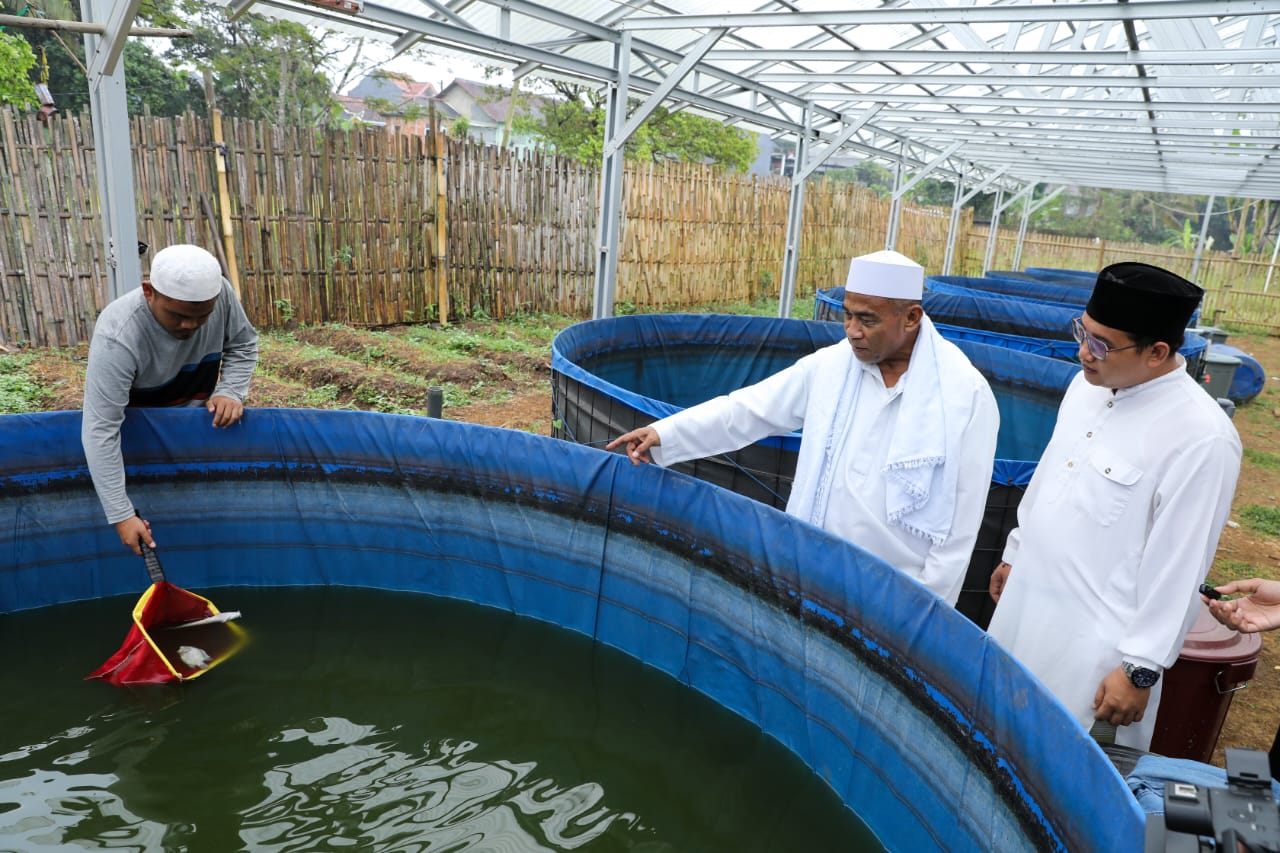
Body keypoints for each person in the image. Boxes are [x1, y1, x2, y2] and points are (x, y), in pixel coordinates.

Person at [605, 250, 1000, 605]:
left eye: (868, 320)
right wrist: (667, 433)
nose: (852, 330)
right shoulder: (830, 367)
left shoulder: (964, 395)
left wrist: (925, 612)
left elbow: (959, 527)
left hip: (893, 593)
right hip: (809, 566)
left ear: (911, 317)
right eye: (847, 314)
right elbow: (748, 409)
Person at [986, 261, 1242, 751]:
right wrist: (1015, 551)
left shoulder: (1201, 438)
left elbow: (1181, 565)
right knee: (996, 738)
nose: (1083, 350)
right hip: (1025, 610)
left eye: (1101, 344)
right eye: (1083, 330)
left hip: (1093, 653)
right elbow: (1050, 472)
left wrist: (1140, 670)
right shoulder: (1087, 386)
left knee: (1062, 775)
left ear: (1157, 352)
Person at [82, 244, 259, 556]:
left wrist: (230, 390)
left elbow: (243, 344)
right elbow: (101, 427)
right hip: (138, 439)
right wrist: (122, 514)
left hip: (197, 431)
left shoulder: (223, 297)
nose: (189, 325)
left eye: (201, 316)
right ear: (149, 291)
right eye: (177, 315)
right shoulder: (119, 335)